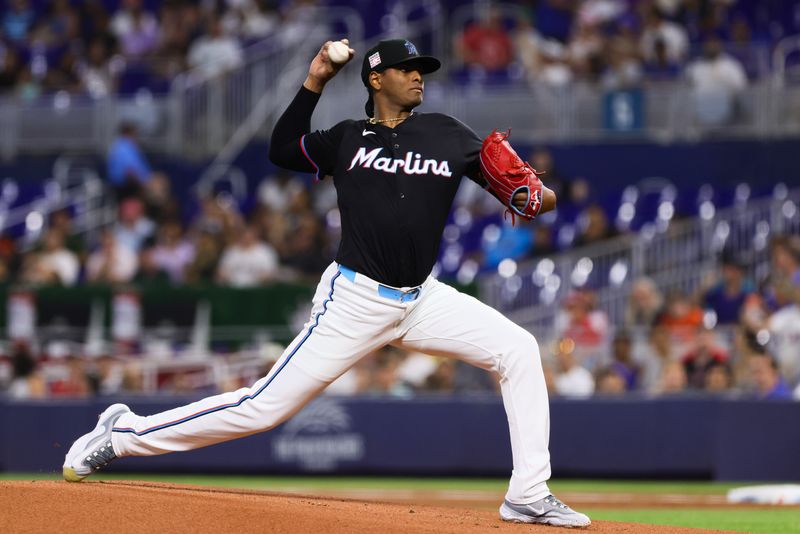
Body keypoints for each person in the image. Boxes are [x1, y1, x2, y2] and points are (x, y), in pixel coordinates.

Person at [62, 38, 589, 528]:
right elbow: (281, 149)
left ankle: (527, 492)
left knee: (518, 349)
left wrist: (538, 195)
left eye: (421, 70)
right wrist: (314, 78)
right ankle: (125, 433)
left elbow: (535, 197)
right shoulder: (347, 138)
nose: (418, 77)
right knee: (261, 408)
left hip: (422, 298)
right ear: (375, 79)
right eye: (406, 69)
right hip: (355, 300)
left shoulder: (448, 133)